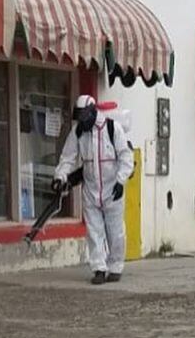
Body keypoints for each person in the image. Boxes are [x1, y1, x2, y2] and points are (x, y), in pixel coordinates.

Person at [53, 95, 134, 285]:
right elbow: (68, 157)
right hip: (90, 189)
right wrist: (60, 177)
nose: (82, 122)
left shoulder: (113, 129)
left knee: (115, 231)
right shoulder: (79, 131)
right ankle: (99, 268)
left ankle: (115, 266)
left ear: (92, 113)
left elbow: (126, 157)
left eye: (84, 118)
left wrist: (121, 181)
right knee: (94, 231)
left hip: (112, 188)